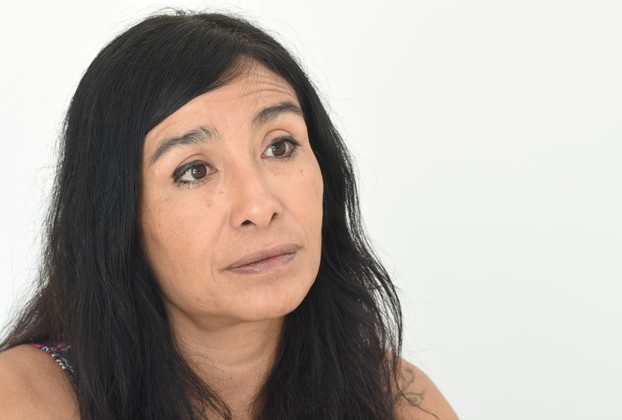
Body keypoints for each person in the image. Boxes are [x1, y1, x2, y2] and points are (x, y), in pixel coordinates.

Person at [0, 11, 457, 420]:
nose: (259, 207)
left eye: (280, 146)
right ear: (117, 216)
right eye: (195, 171)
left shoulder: (399, 399)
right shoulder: (24, 400)